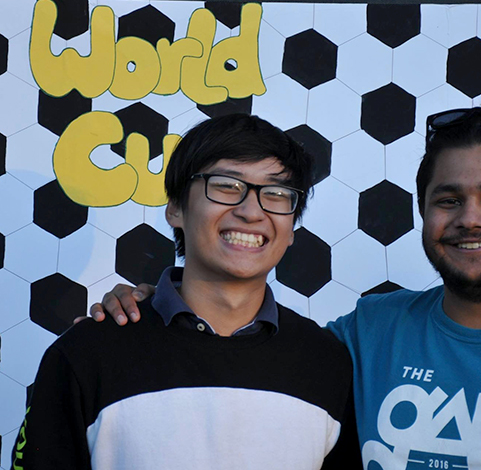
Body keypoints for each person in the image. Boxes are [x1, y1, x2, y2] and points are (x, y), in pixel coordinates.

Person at [87, 105, 481, 469]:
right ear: (423, 213)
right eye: (448, 200)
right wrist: (152, 307)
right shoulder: (364, 336)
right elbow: (235, 348)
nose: (471, 219)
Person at [12, 114, 360, 470]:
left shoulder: (328, 363)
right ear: (176, 208)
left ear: (291, 230)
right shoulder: (86, 352)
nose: (251, 211)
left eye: (275, 193)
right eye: (226, 185)